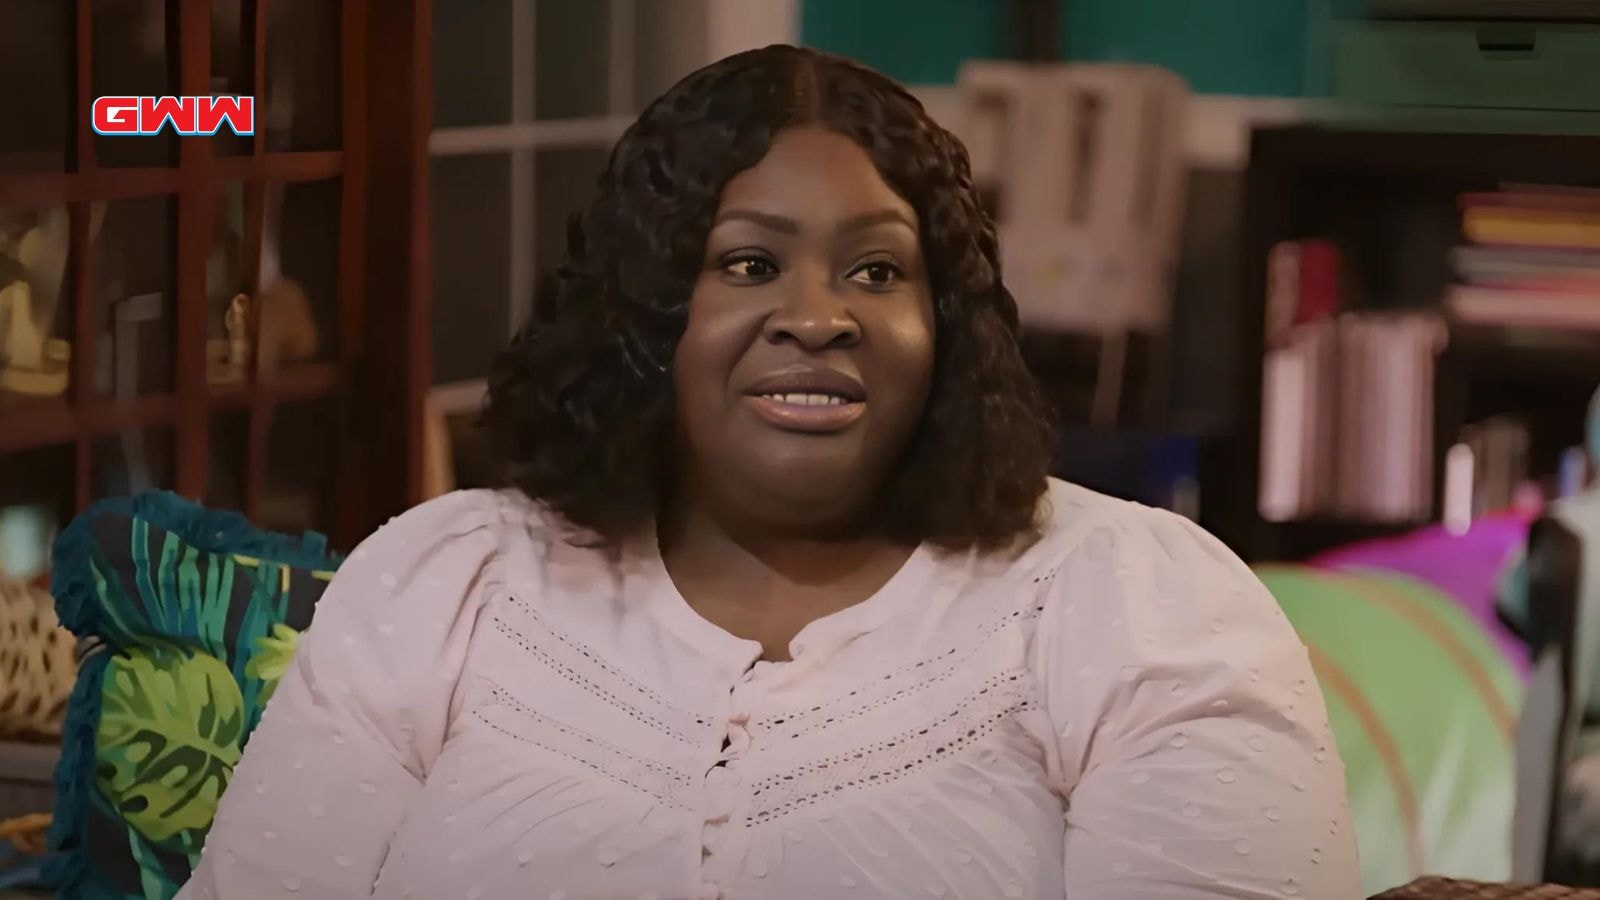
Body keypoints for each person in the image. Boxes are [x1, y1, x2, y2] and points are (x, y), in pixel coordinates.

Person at [181, 45, 1358, 899]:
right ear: (646, 315)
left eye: (878, 272)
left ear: (946, 321)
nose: (818, 317)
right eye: (746, 264)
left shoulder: (1133, 604)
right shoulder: (447, 584)